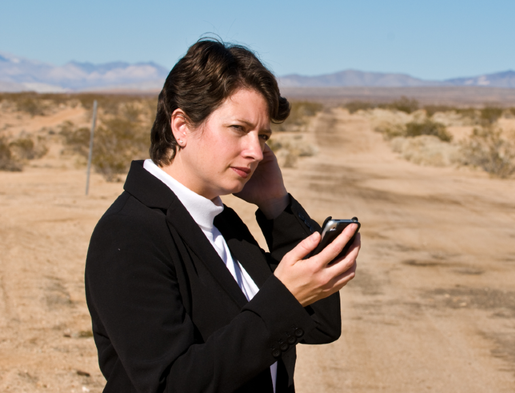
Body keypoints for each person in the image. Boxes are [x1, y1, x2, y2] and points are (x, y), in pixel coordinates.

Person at [85, 38, 360, 393]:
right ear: (181, 126)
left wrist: (277, 206)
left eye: (262, 136)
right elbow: (170, 384)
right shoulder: (129, 233)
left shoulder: (220, 222)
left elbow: (321, 324)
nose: (256, 152)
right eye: (238, 129)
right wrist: (284, 298)